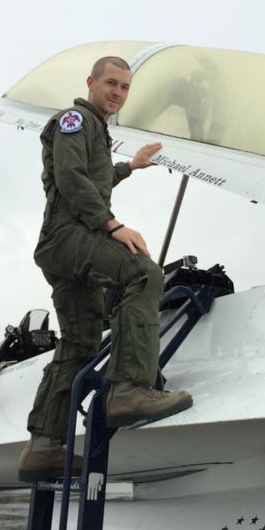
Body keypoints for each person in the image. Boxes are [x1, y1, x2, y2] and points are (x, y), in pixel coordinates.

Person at [18, 56, 194, 482]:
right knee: (143, 273)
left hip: (62, 244)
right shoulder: (76, 119)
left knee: (79, 341)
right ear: (91, 82)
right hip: (68, 234)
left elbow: (92, 179)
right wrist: (112, 225)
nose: (117, 92)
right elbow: (71, 178)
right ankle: (129, 391)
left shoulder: (96, 129)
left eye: (124, 87)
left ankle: (42, 447)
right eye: (111, 83)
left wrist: (129, 167)